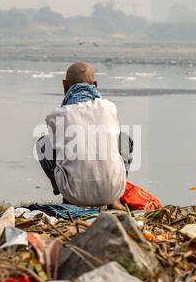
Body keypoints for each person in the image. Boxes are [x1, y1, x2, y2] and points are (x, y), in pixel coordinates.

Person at [36, 62, 133, 210]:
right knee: (123, 138)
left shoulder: (57, 116)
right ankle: (115, 201)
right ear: (95, 85)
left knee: (43, 143)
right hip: (112, 191)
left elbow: (59, 152)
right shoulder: (109, 107)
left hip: (74, 194)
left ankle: (66, 199)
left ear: (65, 86)